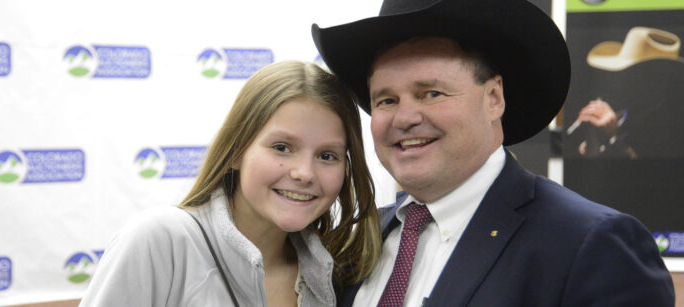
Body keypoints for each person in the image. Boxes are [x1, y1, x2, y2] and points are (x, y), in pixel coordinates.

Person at [311, 0, 675, 306]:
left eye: (431, 93)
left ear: (494, 98)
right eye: (386, 100)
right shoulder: (355, 243)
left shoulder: (592, 246)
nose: (404, 118)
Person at [79, 61, 381, 306]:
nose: (304, 173)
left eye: (327, 156)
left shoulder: (329, 276)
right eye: (281, 147)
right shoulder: (159, 239)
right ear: (236, 150)